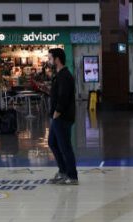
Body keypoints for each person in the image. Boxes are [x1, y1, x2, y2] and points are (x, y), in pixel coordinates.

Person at [47, 47, 78, 186]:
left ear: (57, 59)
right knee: (52, 143)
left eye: (50, 58)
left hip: (62, 117)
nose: (49, 61)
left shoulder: (65, 76)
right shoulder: (59, 75)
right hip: (57, 117)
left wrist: (57, 112)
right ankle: (63, 171)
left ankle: (72, 176)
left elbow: (63, 97)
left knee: (65, 146)